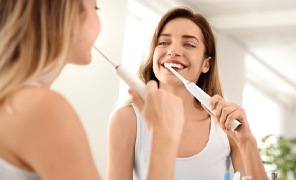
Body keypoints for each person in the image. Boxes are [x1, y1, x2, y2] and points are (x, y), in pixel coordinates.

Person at [0, 0, 185, 179]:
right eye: (96, 7)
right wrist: (165, 137)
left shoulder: (16, 99)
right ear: (68, 15)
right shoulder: (41, 108)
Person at [107, 6, 269, 179]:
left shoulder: (225, 128)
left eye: (189, 44)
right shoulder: (126, 119)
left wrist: (246, 141)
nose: (173, 51)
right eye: (163, 42)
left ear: (206, 64)